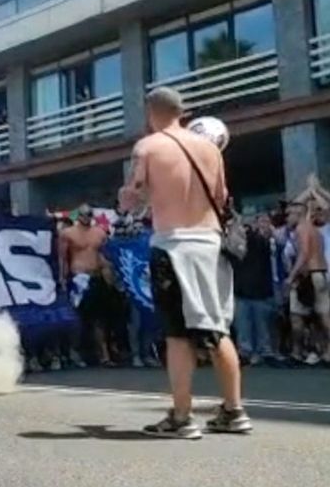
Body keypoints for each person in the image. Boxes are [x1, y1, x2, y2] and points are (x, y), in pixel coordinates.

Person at [119, 87, 250, 439]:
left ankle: (181, 416)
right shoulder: (210, 148)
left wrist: (130, 198)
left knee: (177, 334)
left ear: (151, 111)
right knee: (217, 328)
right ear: (182, 112)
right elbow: (221, 198)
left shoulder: (147, 146)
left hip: (173, 245)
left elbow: (131, 198)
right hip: (211, 244)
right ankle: (234, 411)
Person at [59, 204, 118, 366]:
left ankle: (104, 355)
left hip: (97, 277)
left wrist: (109, 276)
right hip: (78, 278)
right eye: (84, 215)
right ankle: (75, 352)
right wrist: (63, 279)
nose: (87, 217)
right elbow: (63, 258)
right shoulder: (68, 233)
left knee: (100, 319)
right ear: (78, 216)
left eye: (89, 215)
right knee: (78, 318)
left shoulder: (99, 233)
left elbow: (105, 256)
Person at [284, 201, 330, 364]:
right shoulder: (316, 231)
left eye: (289, 214)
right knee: (324, 315)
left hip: (308, 275)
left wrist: (292, 276)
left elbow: (303, 253)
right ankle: (326, 352)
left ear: (298, 214)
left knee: (296, 316)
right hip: (321, 274)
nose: (287, 218)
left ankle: (297, 353)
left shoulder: (301, 229)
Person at [231, 214, 276, 365]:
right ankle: (253, 351)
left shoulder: (257, 241)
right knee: (250, 324)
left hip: (254, 290)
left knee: (255, 324)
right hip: (248, 290)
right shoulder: (237, 246)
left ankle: (257, 351)